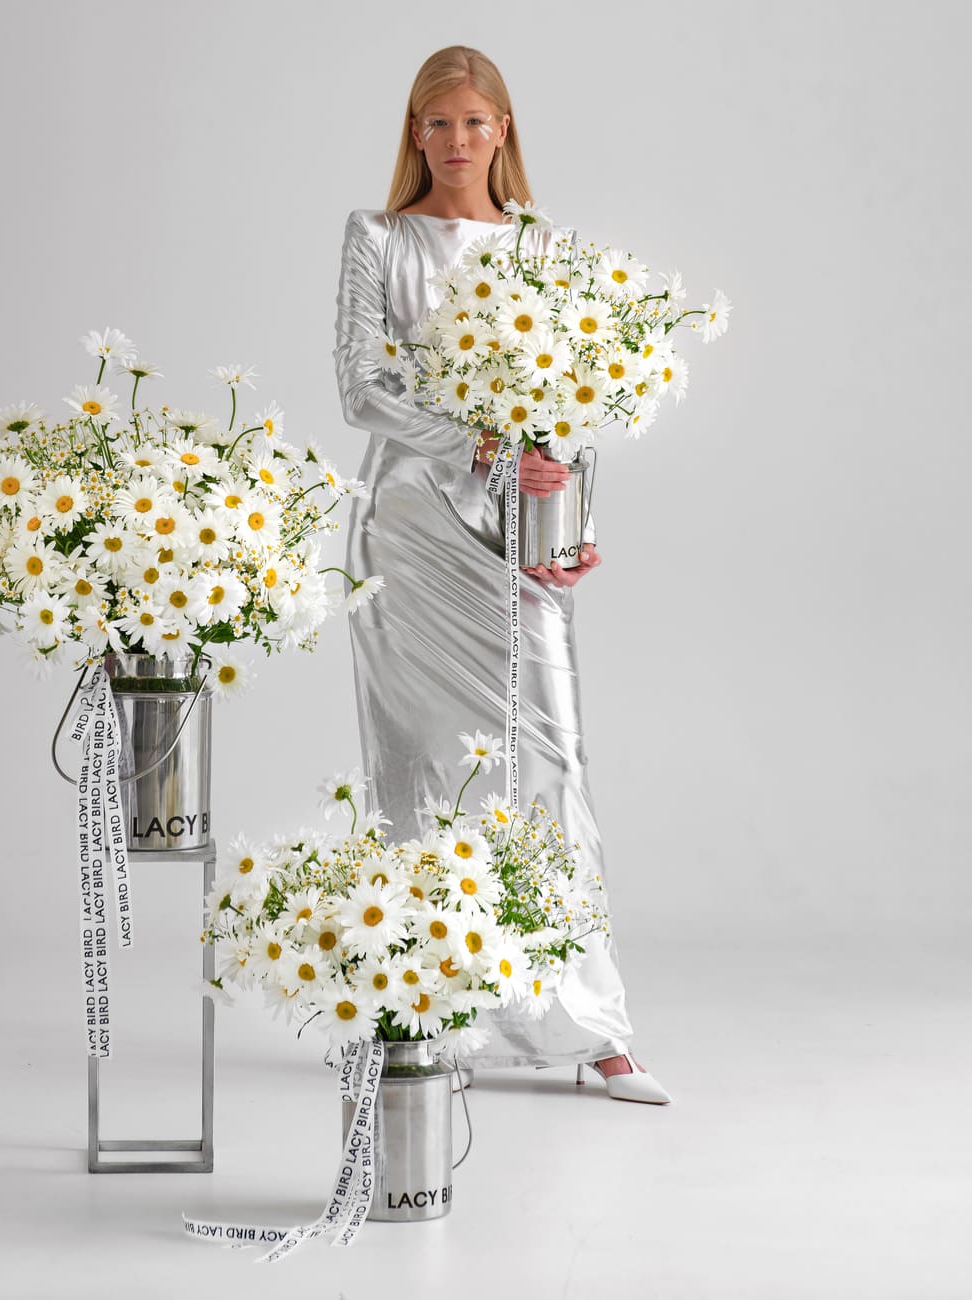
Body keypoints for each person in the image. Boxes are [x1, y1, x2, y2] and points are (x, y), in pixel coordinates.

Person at [332, 46, 670, 1104]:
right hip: (407, 527)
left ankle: (593, 1026)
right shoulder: (378, 237)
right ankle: (429, 1017)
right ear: (415, 133)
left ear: (502, 130)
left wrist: (572, 522)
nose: (457, 140)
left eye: (476, 121)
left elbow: (565, 402)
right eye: (437, 122)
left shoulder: (540, 246)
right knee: (417, 769)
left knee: (552, 761)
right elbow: (360, 388)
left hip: (514, 528)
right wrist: (474, 439)